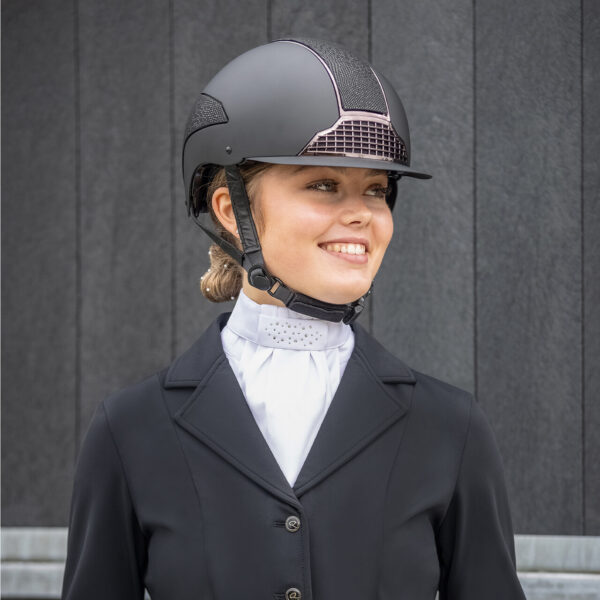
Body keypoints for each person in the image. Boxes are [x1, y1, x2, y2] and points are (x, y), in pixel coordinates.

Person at [61, 38, 527, 600]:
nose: (362, 214)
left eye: (376, 190)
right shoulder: (129, 430)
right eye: (324, 185)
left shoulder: (451, 429)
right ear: (231, 210)